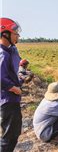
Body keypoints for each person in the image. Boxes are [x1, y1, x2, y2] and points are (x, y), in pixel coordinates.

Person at [0, 17, 23, 151]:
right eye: (15, 33)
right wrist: (14, 88)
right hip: (8, 101)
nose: (18, 36)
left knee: (14, 134)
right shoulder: (3, 54)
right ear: (5, 34)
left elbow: (11, 73)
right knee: (9, 138)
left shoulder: (11, 50)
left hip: (13, 99)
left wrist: (20, 80)